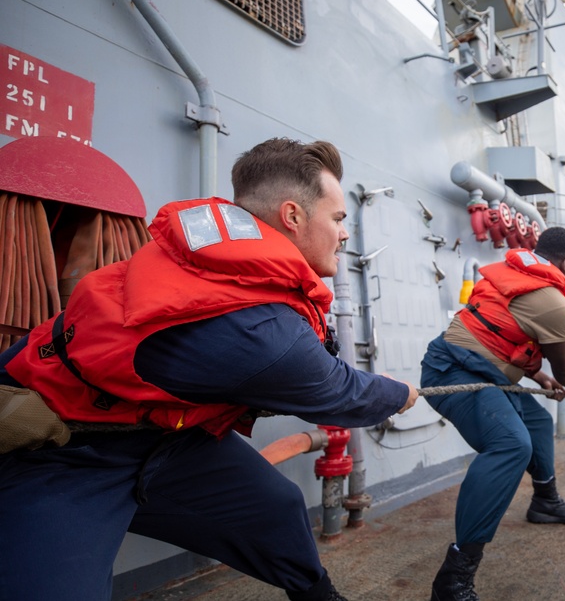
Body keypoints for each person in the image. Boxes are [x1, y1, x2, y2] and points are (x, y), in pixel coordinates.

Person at [0, 138, 419, 601]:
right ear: (293, 216)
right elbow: (342, 394)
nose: (344, 233)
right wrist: (400, 394)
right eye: (338, 219)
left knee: (277, 508)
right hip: (66, 443)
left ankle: (316, 595)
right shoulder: (264, 332)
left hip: (162, 434)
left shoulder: (219, 259)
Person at [420, 227, 565, 601]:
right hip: (454, 370)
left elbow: (503, 330)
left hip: (487, 372)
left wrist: (539, 375)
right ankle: (455, 577)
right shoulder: (558, 305)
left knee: (538, 423)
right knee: (512, 445)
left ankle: (546, 501)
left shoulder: (518, 273)